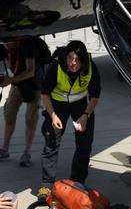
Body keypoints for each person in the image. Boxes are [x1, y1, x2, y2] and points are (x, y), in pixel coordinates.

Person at [38, 40, 101, 196]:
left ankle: (77, 181)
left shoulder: (91, 67)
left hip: (81, 106)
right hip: (57, 105)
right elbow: (44, 94)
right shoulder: (56, 67)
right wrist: (52, 115)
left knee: (84, 144)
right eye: (70, 58)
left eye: (78, 59)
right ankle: (46, 185)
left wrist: (86, 115)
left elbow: (95, 95)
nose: (73, 63)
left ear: (83, 60)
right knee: (51, 144)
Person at [0, 39, 40, 167]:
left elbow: (30, 71)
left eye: (8, 42)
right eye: (3, 42)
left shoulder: (27, 44)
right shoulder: (2, 46)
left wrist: (10, 80)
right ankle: (4, 149)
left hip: (34, 82)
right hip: (16, 82)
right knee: (9, 112)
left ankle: (27, 152)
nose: (5, 44)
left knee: (31, 117)